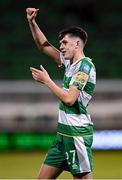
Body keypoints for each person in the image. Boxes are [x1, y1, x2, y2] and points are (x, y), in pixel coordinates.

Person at [26, 7, 96, 180]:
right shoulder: (69, 63)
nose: (61, 46)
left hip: (76, 134)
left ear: (77, 44)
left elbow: (70, 99)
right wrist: (32, 22)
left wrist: (47, 81)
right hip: (62, 136)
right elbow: (44, 46)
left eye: (64, 42)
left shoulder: (84, 66)